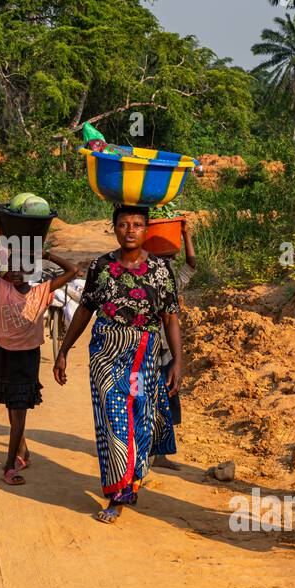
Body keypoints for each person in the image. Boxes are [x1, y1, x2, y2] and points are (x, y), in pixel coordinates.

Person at [54, 205, 183, 524]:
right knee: (114, 418)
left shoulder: (160, 271)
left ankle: (132, 478)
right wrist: (64, 350)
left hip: (144, 356)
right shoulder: (102, 266)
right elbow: (84, 310)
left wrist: (178, 360)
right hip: (106, 354)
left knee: (140, 417)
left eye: (137, 224)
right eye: (123, 224)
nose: (130, 230)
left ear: (146, 229)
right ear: (114, 228)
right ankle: (118, 494)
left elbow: (170, 317)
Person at [0, 248, 79, 486]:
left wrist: (47, 255)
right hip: (4, 355)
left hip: (26, 359)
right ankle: (22, 452)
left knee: (19, 411)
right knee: (12, 406)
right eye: (12, 267)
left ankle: (9, 465)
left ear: (32, 270)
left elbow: (73, 270)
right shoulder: (2, 288)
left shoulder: (42, 290)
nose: (16, 272)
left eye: (23, 268)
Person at [150, 215, 196, 471]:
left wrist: (186, 233)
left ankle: (161, 454)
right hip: (144, 349)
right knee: (145, 400)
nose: (166, 268)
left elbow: (190, 263)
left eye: (169, 264)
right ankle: (142, 449)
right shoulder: (143, 282)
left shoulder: (173, 285)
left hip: (165, 352)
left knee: (166, 400)